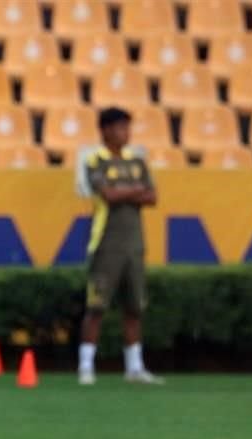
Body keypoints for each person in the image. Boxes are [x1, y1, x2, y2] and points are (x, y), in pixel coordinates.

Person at [77, 107, 164, 386]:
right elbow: (108, 195)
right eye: (118, 128)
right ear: (104, 130)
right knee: (97, 305)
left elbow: (152, 197)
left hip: (134, 244)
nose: (124, 133)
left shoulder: (137, 162)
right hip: (106, 242)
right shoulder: (95, 160)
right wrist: (133, 191)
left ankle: (134, 367)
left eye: (127, 128)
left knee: (134, 307)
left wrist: (126, 192)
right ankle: (86, 365)